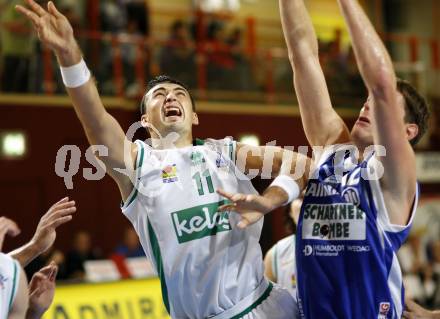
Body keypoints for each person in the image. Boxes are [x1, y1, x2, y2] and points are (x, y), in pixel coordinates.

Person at [16, 1, 311, 318]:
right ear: (144, 120)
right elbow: (96, 120)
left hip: (262, 307)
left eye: (179, 93)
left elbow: (300, 165)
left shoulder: (225, 152)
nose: (170, 96)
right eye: (159, 95)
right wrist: (70, 56)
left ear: (194, 116)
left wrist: (268, 202)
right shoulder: (136, 163)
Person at [276, 0, 429, 318]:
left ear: (408, 131)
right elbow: (302, 54)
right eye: (365, 101)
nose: (367, 106)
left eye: (378, 105)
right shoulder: (332, 147)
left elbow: (383, 86)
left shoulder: (395, 173)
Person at [264, 197, 302, 297]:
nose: (307, 203)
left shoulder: (345, 248)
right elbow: (268, 304)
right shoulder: (275, 254)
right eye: (301, 198)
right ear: (289, 211)